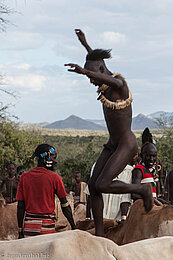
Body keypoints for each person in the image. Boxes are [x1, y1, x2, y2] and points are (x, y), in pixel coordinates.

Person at [65, 29, 153, 237]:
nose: (91, 81)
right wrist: (85, 45)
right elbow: (97, 62)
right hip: (112, 143)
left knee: (104, 183)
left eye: (93, 76)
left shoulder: (119, 85)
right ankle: (99, 233)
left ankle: (141, 190)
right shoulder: (105, 82)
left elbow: (99, 71)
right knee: (94, 186)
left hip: (126, 143)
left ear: (101, 70)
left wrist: (85, 72)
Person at [16, 144, 76, 239]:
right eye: (53, 157)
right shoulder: (55, 178)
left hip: (29, 227)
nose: (55, 161)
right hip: (47, 227)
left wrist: (20, 230)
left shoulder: (24, 177)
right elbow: (64, 205)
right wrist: (73, 226)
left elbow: (20, 206)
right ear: (45, 157)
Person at [132, 128, 158, 203]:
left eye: (154, 156)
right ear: (141, 156)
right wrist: (151, 199)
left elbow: (154, 198)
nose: (151, 159)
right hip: (144, 211)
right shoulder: (139, 170)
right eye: (148, 156)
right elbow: (134, 194)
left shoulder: (150, 172)